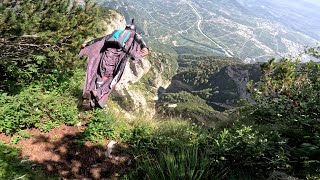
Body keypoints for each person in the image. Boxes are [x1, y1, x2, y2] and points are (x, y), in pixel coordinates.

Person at [79, 19, 149, 110]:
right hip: (116, 59)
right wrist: (145, 48)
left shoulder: (116, 32)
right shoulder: (133, 34)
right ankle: (97, 93)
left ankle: (90, 99)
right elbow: (140, 40)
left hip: (105, 56)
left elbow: (100, 39)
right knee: (111, 80)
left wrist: (87, 44)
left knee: (99, 75)